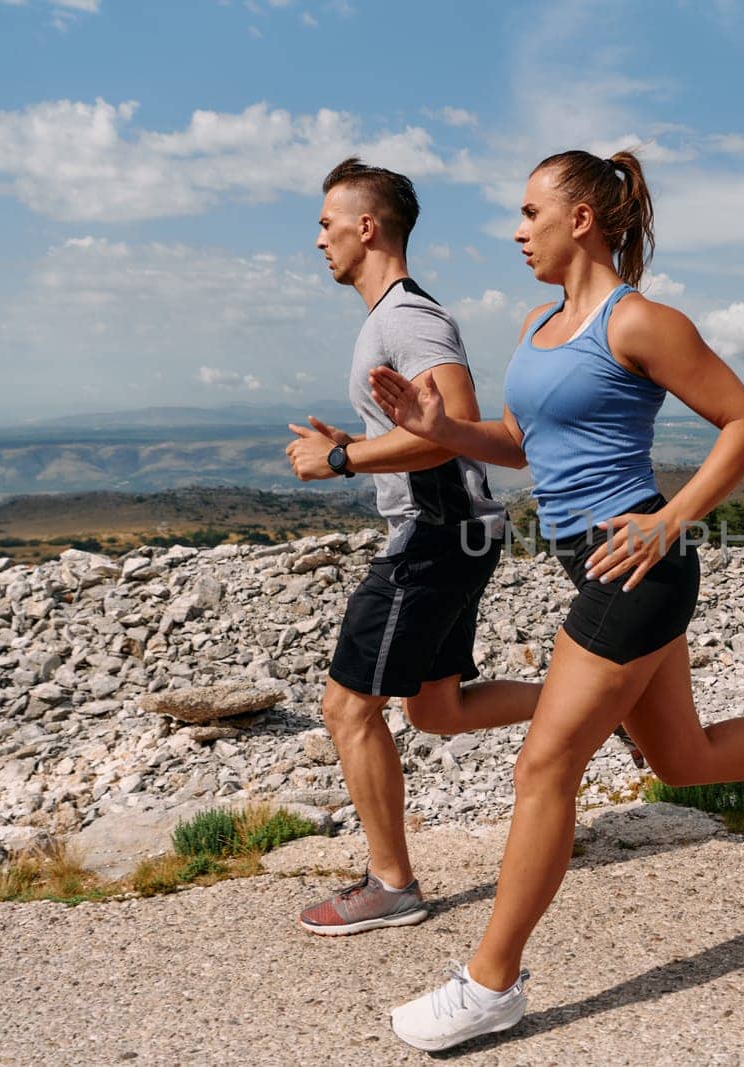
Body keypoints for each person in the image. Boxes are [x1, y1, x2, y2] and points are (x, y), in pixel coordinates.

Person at [369, 149, 744, 1050]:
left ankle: (491, 981)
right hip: (589, 559)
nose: (517, 232)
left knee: (544, 765)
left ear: (582, 219)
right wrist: (441, 429)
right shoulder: (539, 324)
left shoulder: (640, 322)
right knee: (682, 754)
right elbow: (523, 440)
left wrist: (670, 518)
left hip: (633, 566)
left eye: (529, 213)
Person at [284, 157, 541, 936]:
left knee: (347, 705)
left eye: (327, 222)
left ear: (367, 227)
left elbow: (447, 427)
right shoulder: (388, 319)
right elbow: (422, 430)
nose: (318, 237)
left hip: (434, 536)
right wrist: (359, 439)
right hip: (456, 532)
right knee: (437, 709)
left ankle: (392, 883)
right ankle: (604, 702)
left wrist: (342, 460)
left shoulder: (406, 317)